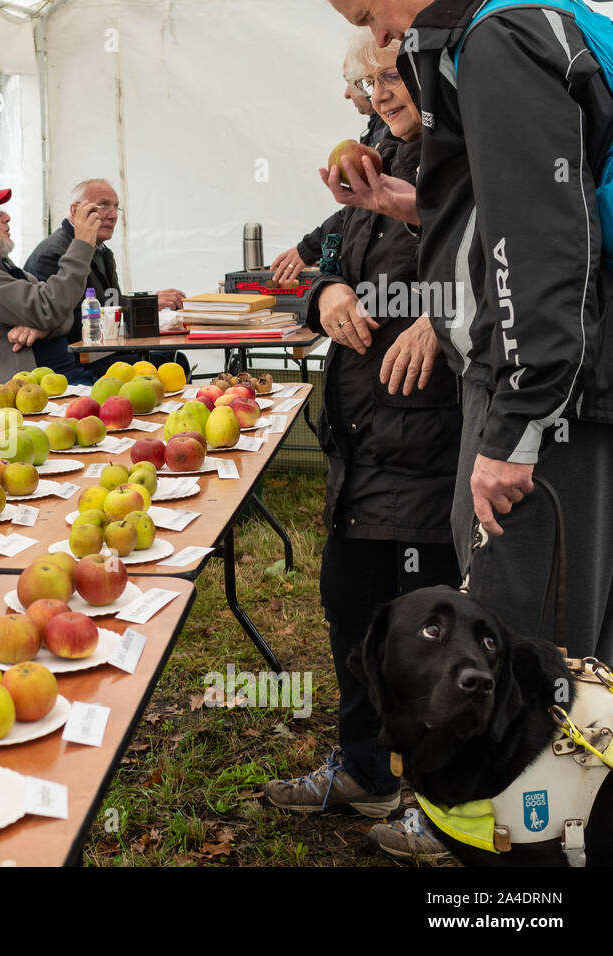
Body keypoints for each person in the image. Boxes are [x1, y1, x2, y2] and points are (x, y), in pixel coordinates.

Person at [325, 0, 613, 860]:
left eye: (371, 12)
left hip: (545, 397)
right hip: (555, 387)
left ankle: (518, 865)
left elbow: (544, 240)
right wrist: (420, 206)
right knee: (564, 657)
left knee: (531, 666)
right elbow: (518, 214)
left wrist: (518, 418)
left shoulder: (496, 37)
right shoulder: (514, 29)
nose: (377, 41)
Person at [264, 37, 463, 831]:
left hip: (433, 449)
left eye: (393, 75)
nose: (381, 92)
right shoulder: (374, 156)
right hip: (360, 447)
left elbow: (517, 263)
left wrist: (442, 322)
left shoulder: (463, 158)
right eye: (370, 80)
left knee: (435, 640)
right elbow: (323, 257)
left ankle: (446, 809)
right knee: (353, 617)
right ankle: (364, 772)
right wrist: (327, 292)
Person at [0, 186, 101, 395]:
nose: (6, 217)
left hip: (59, 386)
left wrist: (42, 327)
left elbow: (63, 314)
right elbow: (52, 308)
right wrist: (82, 244)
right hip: (36, 401)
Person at [22, 179, 186, 383]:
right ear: (75, 210)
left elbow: (111, 306)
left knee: (172, 359)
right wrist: (145, 306)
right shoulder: (52, 253)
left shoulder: (101, 250)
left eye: (116, 207)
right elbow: (64, 322)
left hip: (103, 352)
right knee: (168, 364)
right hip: (73, 364)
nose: (113, 215)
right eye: (103, 205)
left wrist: (147, 302)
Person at [270, 30, 389, 285]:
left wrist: (309, 249)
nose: (347, 93)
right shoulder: (379, 132)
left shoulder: (398, 133)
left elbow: (370, 209)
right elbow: (363, 209)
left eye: (355, 82)